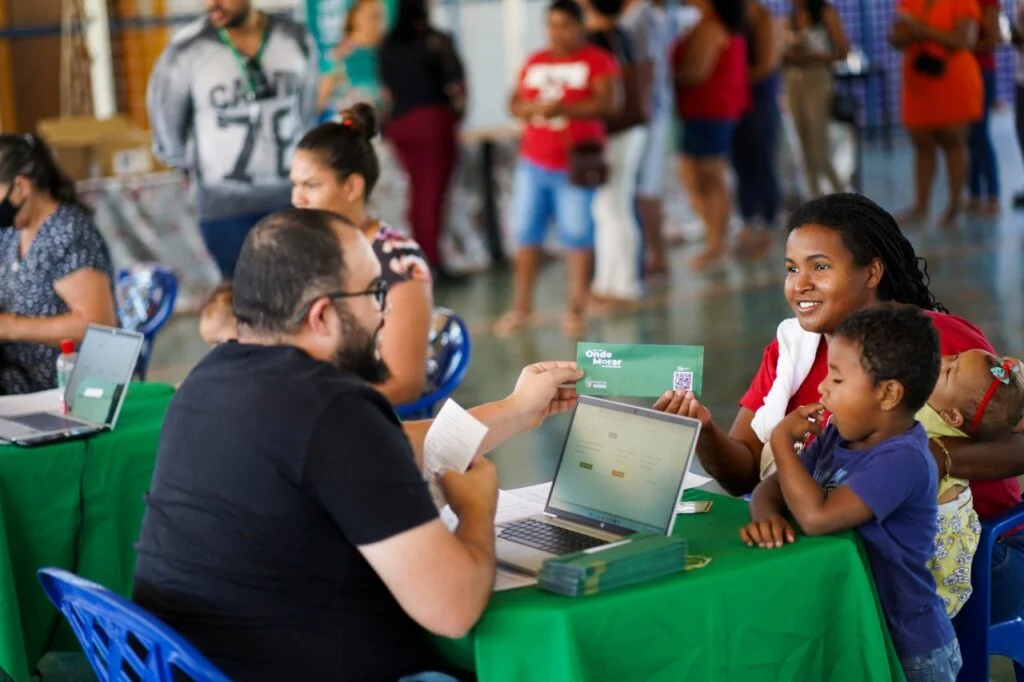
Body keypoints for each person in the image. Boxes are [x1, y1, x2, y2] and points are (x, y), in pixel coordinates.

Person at [132, 207, 584, 681]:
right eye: (374, 293)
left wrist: (516, 408)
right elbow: (453, 610)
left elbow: (383, 449)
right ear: (322, 315)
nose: (385, 312)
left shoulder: (207, 381)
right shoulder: (331, 410)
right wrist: (475, 510)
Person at [654, 193, 1024, 624]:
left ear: (872, 271)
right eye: (792, 268)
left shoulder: (935, 344)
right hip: (855, 543)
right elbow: (745, 474)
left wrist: (936, 457)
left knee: (800, 612)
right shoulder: (791, 349)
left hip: (976, 554)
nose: (800, 283)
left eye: (820, 267)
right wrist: (703, 431)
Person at [741, 304, 961, 682]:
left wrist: (780, 439)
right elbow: (770, 487)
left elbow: (817, 518)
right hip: (853, 628)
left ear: (888, 394)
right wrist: (766, 516)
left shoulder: (902, 459)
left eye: (838, 380)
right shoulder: (836, 436)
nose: (823, 388)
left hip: (908, 648)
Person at [147, 0, 318, 279]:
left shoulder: (296, 37)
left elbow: (306, 112)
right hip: (224, 208)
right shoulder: (185, 51)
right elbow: (167, 133)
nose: (212, 4)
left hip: (292, 198)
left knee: (300, 291)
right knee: (243, 301)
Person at [292, 104, 434, 405]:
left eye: (311, 186)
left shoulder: (399, 263)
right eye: (295, 185)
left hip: (364, 415)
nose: (297, 198)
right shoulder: (304, 249)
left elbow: (405, 384)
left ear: (353, 186)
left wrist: (321, 410)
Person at [496, 0, 618, 337]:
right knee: (524, 233)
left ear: (580, 26)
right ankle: (522, 307)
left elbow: (610, 102)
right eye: (551, 25)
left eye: (564, 24)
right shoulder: (535, 60)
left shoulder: (598, 60)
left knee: (577, 235)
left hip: (575, 163)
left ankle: (575, 308)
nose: (557, 32)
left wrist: (564, 107)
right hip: (533, 160)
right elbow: (513, 100)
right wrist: (529, 108)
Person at [0, 134, 117, 395]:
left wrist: (9, 327)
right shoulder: (11, 233)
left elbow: (97, 325)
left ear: (21, 187)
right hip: (15, 375)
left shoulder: (69, 233)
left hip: (61, 384)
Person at [923, 351, 1024, 617]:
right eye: (953, 357)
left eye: (949, 370)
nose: (941, 359)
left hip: (938, 559)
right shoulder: (946, 409)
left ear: (951, 416)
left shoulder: (923, 418)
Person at [378, 0, 467, 275]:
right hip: (432, 123)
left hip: (401, 125)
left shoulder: (388, 44)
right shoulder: (436, 41)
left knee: (418, 195)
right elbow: (457, 83)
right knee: (432, 196)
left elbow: (388, 90)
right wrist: (456, 116)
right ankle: (430, 262)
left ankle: (423, 256)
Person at [671, 0, 748, 271]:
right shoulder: (707, 25)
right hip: (703, 111)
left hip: (708, 110)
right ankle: (716, 239)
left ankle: (717, 244)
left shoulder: (710, 27)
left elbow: (696, 72)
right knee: (698, 177)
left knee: (710, 177)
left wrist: (660, 77)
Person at [890, 0, 982, 225]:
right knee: (922, 145)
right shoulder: (908, 2)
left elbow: (964, 40)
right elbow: (895, 37)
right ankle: (921, 206)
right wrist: (908, 36)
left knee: (954, 143)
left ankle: (954, 206)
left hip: (952, 79)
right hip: (919, 83)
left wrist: (923, 31)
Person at [585, 0, 648, 304]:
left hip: (617, 131)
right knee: (606, 207)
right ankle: (606, 283)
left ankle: (624, 285)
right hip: (625, 129)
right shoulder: (618, 34)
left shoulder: (601, 40)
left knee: (614, 207)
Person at [619, 0, 673, 280]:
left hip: (648, 115)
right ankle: (647, 255)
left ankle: (658, 257)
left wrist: (639, 111)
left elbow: (646, 66)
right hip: (642, 113)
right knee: (636, 190)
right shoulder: (633, 16)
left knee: (645, 190)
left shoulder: (643, 17)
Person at [731, 0, 783, 259]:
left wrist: (731, 78)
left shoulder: (761, 18)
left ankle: (769, 223)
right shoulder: (731, 14)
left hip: (759, 101)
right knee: (741, 164)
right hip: (735, 102)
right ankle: (749, 220)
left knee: (761, 161)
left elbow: (766, 64)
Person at [783, 0, 849, 197]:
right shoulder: (790, 17)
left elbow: (843, 51)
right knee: (803, 149)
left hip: (818, 80)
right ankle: (814, 199)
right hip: (793, 81)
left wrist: (812, 56)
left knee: (819, 149)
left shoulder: (826, 13)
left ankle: (841, 198)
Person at [317, 0, 388, 120]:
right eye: (371, 16)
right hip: (347, 129)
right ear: (355, 17)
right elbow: (320, 102)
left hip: (382, 127)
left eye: (380, 16)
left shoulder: (387, 54)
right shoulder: (338, 55)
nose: (377, 22)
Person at [967, 0, 1001, 216]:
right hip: (959, 74)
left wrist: (957, 44)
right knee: (967, 138)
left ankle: (992, 195)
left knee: (980, 134)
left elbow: (993, 38)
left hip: (981, 72)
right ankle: (974, 195)